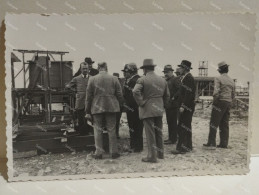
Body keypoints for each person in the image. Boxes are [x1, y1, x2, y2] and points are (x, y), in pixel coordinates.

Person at [133, 59, 170, 163]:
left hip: (147, 109)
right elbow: (167, 95)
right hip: (159, 109)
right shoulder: (162, 80)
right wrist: (162, 105)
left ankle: (152, 156)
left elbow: (135, 91)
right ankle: (160, 154)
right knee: (159, 132)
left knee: (150, 134)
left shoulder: (142, 79)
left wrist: (141, 102)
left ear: (145, 69)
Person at [85, 62, 123, 159]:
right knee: (112, 129)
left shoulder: (92, 79)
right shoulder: (114, 78)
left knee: (97, 129)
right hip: (111, 106)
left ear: (98, 68)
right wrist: (120, 105)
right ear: (106, 67)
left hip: (97, 106)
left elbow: (88, 97)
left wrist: (87, 110)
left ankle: (99, 153)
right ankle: (114, 152)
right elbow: (119, 94)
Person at [203, 61, 235, 149]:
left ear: (220, 70)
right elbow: (233, 94)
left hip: (219, 101)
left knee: (214, 122)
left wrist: (215, 102)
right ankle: (224, 144)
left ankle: (211, 142)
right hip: (228, 102)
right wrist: (229, 102)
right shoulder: (231, 80)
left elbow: (216, 92)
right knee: (224, 123)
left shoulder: (218, 78)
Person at [172, 60, 196, 154]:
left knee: (183, 126)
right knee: (186, 126)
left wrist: (183, 106)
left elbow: (188, 94)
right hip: (187, 106)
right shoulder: (186, 77)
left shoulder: (188, 78)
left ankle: (182, 148)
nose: (179, 69)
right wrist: (175, 96)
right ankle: (188, 146)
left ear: (185, 69)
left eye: (181, 67)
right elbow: (182, 92)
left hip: (186, 107)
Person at [122, 63, 143, 152]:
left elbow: (132, 96)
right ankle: (135, 145)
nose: (124, 74)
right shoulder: (132, 79)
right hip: (133, 108)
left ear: (131, 72)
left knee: (136, 127)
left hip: (134, 108)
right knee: (134, 127)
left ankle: (137, 147)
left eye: (126, 72)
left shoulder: (135, 80)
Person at [66, 62, 92, 135]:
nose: (85, 70)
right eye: (83, 69)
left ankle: (91, 137)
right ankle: (82, 137)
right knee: (81, 121)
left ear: (88, 69)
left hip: (91, 104)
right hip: (80, 103)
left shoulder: (92, 78)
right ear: (80, 69)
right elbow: (68, 87)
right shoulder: (76, 79)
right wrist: (75, 94)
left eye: (86, 68)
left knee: (92, 121)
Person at [162, 65, 181, 145]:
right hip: (168, 105)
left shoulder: (175, 79)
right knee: (169, 122)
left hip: (173, 105)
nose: (165, 74)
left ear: (171, 72)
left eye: (167, 72)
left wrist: (173, 97)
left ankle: (173, 139)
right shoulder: (167, 80)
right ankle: (171, 138)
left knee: (172, 122)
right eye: (165, 72)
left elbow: (180, 90)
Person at [113, 72, 124, 139]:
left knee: (117, 120)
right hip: (113, 105)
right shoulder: (112, 85)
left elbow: (121, 95)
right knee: (112, 120)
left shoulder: (120, 85)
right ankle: (114, 134)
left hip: (119, 105)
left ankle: (116, 133)